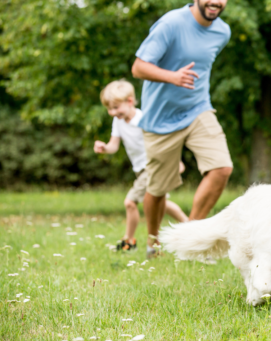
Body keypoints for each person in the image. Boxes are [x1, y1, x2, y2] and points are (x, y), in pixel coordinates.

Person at [131, 0, 233, 258]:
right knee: (157, 190)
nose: (216, 2)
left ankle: (188, 238)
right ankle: (153, 245)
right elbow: (138, 67)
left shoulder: (222, 32)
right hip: (160, 118)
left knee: (222, 168)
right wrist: (172, 77)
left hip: (198, 108)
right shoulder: (171, 24)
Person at [94, 79, 189, 252]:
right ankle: (191, 227)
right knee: (161, 202)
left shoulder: (144, 119)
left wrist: (176, 162)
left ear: (129, 101)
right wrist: (105, 148)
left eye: (115, 107)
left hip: (152, 166)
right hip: (139, 170)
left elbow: (163, 142)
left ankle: (129, 242)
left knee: (130, 202)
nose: (112, 112)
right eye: (109, 108)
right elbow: (114, 145)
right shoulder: (118, 121)